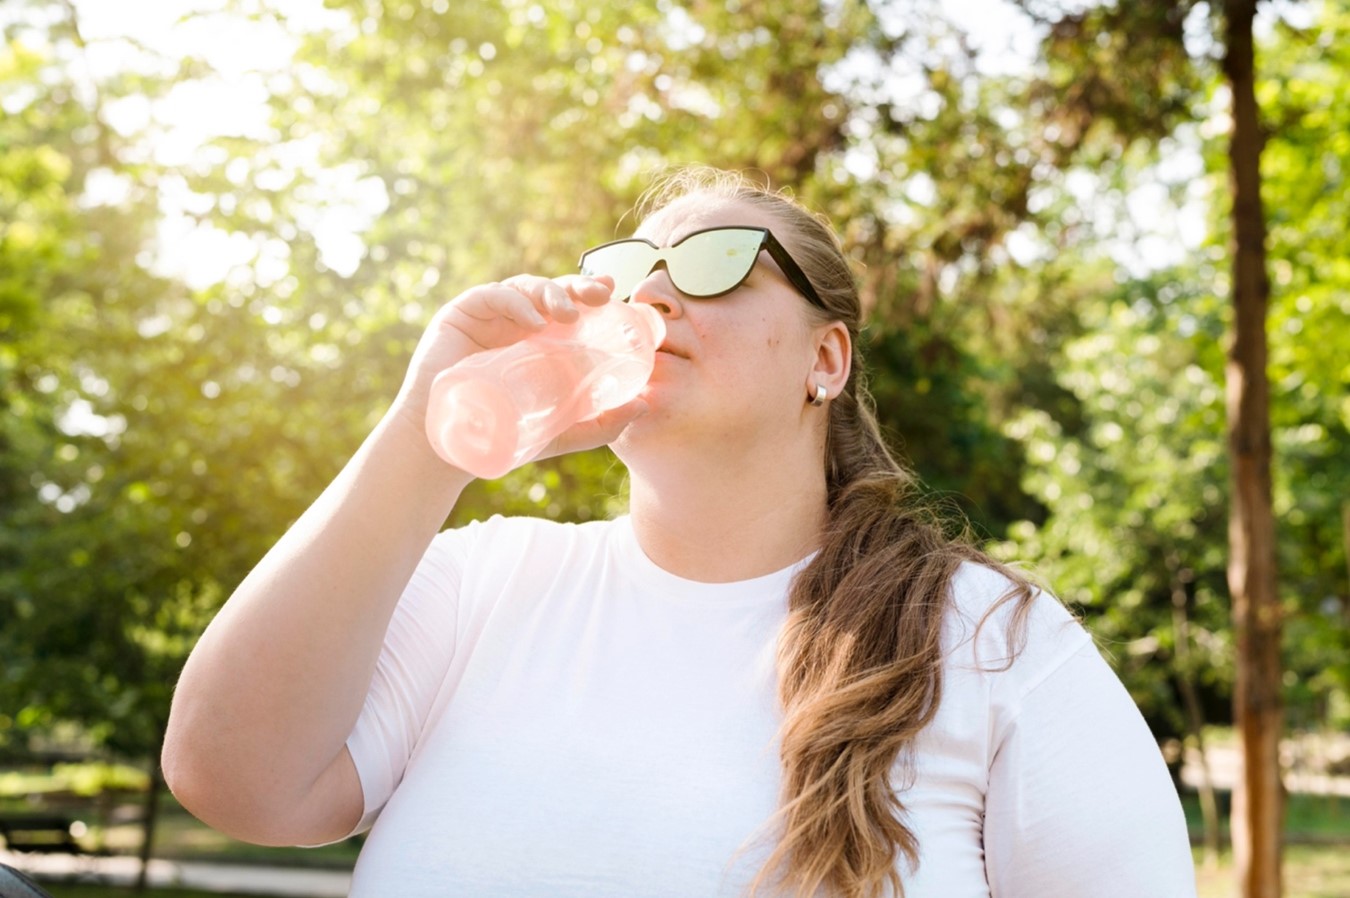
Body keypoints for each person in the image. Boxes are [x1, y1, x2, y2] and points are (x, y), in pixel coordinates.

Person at [162, 167, 1197, 897]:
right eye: (628, 272)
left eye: (714, 263)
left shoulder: (990, 638)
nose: (653, 291)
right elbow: (232, 778)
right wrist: (429, 423)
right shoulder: (488, 581)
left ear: (825, 360)